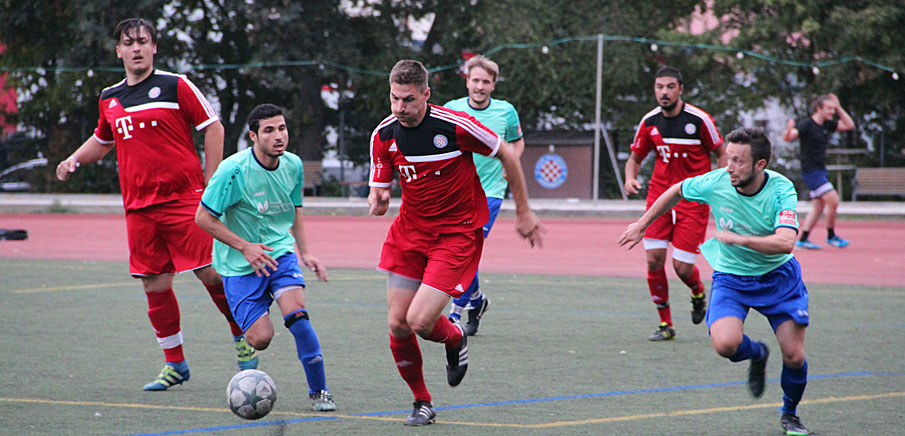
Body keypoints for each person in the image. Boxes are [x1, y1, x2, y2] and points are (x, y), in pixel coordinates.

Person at [54, 18, 257, 391]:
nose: (136, 48)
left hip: (184, 200)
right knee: (154, 283)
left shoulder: (175, 85)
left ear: (154, 47)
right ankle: (175, 364)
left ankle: (242, 337)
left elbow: (213, 127)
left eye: (143, 41)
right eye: (129, 42)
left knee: (212, 273)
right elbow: (102, 140)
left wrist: (211, 182)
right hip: (139, 208)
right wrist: (74, 160)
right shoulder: (109, 97)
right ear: (118, 50)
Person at [368, 59, 545, 426]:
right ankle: (422, 402)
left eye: (408, 100)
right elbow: (380, 189)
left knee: (420, 321)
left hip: (455, 235)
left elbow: (508, 154)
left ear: (426, 95)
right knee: (398, 324)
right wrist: (378, 200)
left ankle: (454, 337)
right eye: (394, 98)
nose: (400, 107)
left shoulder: (455, 125)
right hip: (409, 234)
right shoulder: (383, 135)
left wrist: (524, 212)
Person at [618, 127, 812, 436]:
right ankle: (758, 353)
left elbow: (786, 242)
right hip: (732, 278)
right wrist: (643, 224)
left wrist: (740, 239)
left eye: (738, 161)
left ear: (760, 164)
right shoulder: (717, 181)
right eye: (728, 158)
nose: (729, 167)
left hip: (779, 280)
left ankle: (790, 413)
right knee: (725, 345)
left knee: (794, 355)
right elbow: (676, 190)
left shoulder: (781, 188)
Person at [195, 104, 335, 412]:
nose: (278, 136)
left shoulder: (293, 165)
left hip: (279, 254)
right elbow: (203, 217)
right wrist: (245, 246)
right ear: (253, 136)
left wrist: (305, 252)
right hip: (239, 265)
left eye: (282, 128)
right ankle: (246, 336)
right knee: (261, 339)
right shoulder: (233, 171)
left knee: (298, 316)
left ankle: (320, 392)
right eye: (269, 130)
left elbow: (295, 209)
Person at [624, 65, 727, 341]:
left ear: (680, 89)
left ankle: (697, 291)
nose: (664, 92)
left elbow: (721, 153)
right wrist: (630, 178)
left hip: (693, 200)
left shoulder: (699, 120)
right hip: (659, 198)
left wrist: (719, 184)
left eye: (670, 86)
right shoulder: (649, 122)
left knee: (682, 267)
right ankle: (665, 324)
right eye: (659, 87)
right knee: (653, 260)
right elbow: (635, 158)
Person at [442, 55, 524, 335]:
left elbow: (517, 142)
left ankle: (455, 315)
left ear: (493, 85)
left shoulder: (506, 111)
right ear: (467, 82)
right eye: (475, 80)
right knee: (458, 249)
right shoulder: (451, 109)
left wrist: (511, 163)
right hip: (456, 193)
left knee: (467, 252)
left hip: (490, 192)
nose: (480, 86)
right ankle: (476, 301)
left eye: (485, 82)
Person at [783, 93, 855, 250]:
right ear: (818, 108)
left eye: (832, 109)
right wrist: (788, 130)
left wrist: (838, 107)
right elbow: (789, 137)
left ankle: (803, 239)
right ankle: (831, 236)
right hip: (811, 171)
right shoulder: (807, 125)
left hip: (821, 170)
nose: (832, 112)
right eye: (829, 108)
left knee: (818, 206)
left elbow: (849, 125)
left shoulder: (827, 125)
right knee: (833, 200)